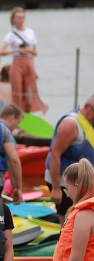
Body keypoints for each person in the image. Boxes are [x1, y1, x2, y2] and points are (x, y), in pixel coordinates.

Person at [45, 95, 94, 225]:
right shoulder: (70, 125)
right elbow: (54, 155)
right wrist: (56, 188)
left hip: (82, 182)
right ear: (88, 107)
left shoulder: (89, 123)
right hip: (63, 182)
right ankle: (65, 243)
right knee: (69, 223)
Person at [0, 7, 48, 114]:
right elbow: (1, 52)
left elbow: (35, 52)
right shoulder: (11, 35)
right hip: (17, 62)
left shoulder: (30, 32)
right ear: (13, 20)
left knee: (30, 93)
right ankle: (18, 121)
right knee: (17, 93)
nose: (21, 20)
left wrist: (29, 50)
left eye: (23, 18)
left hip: (29, 62)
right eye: (19, 18)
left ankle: (27, 117)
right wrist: (16, 50)